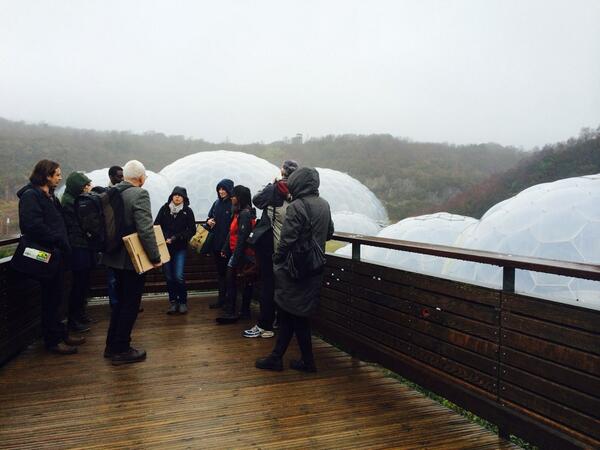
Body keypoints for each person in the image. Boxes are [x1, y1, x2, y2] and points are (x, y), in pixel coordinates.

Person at [255, 167, 334, 372]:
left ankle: (290, 359)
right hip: (315, 268)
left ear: (298, 183)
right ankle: (292, 359)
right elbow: (329, 233)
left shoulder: (297, 206)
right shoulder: (324, 204)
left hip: (294, 269)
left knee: (291, 313)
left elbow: (287, 240)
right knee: (294, 314)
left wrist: (277, 260)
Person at [16, 159, 85, 354]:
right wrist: (57, 241)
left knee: (57, 297)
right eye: (57, 174)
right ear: (46, 175)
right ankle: (53, 341)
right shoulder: (31, 196)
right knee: (50, 298)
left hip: (56, 255)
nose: (60, 178)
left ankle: (60, 333)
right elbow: (32, 226)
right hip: (45, 255)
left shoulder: (50, 196)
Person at [102, 160, 162, 365]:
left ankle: (111, 346)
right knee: (130, 304)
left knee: (119, 303)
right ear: (141, 177)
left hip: (113, 257)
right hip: (131, 260)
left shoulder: (111, 192)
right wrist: (155, 257)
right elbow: (145, 229)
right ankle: (122, 349)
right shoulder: (139, 194)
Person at [243, 160, 298, 339]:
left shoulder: (274, 189)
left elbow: (256, 200)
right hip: (291, 248)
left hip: (271, 247)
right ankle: (280, 322)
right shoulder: (299, 193)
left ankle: (264, 325)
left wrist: (272, 184)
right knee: (284, 286)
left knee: (268, 285)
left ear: (282, 172)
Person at [216, 185, 256, 324]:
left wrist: (235, 259)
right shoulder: (238, 212)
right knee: (237, 281)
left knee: (235, 281)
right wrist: (225, 248)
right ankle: (241, 311)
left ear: (240, 198)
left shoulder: (245, 214)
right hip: (236, 252)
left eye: (234, 196)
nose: (231, 198)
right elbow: (231, 232)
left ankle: (233, 311)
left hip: (243, 254)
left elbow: (242, 238)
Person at [61, 171, 95, 333]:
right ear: (77, 187)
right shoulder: (70, 202)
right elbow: (78, 225)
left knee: (83, 283)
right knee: (78, 284)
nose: (87, 188)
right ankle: (74, 319)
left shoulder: (74, 199)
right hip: (77, 247)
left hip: (83, 247)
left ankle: (80, 314)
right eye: (84, 186)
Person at [154, 186, 196, 314]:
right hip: (165, 248)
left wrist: (177, 237)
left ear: (184, 198)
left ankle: (182, 302)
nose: (177, 197)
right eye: (175, 195)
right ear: (171, 196)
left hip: (180, 248)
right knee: (169, 276)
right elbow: (156, 225)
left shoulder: (187, 211)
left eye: (180, 195)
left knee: (178, 275)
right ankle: (173, 302)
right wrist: (165, 237)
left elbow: (191, 230)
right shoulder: (164, 209)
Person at [206, 179, 234, 309]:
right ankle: (221, 300)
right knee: (221, 273)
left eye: (224, 189)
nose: (221, 191)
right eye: (219, 189)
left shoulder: (233, 204)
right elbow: (209, 217)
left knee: (229, 274)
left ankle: (229, 301)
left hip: (228, 245)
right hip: (216, 244)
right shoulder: (216, 203)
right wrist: (209, 221)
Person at [105, 165, 123, 309]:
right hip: (110, 243)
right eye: (119, 176)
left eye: (123, 176)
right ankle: (115, 304)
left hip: (123, 242)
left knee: (123, 277)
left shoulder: (122, 191)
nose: (122, 179)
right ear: (111, 177)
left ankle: (124, 303)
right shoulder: (106, 194)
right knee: (112, 278)